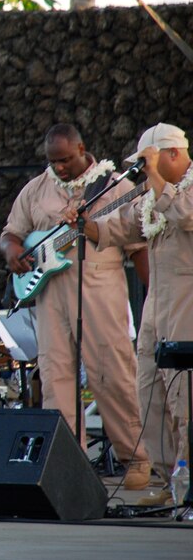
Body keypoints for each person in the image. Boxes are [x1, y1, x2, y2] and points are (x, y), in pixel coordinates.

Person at [0, 123, 150, 490]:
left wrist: (153, 293)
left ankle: (137, 458)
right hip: (51, 293)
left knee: (111, 373)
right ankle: (69, 465)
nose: (60, 167)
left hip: (100, 287)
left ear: (82, 149)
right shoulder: (36, 188)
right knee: (56, 379)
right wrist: (13, 252)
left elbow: (138, 244)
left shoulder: (115, 185)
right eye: (53, 161)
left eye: (65, 159)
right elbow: (11, 233)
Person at [82, 122, 193, 505]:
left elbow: (184, 215)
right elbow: (123, 224)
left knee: (184, 395)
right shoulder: (152, 194)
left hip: (187, 304)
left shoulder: (184, 189)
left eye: (148, 162)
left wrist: (156, 180)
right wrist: (85, 226)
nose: (144, 171)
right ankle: (168, 481)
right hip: (156, 305)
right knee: (150, 390)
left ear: (173, 154)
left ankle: (188, 484)